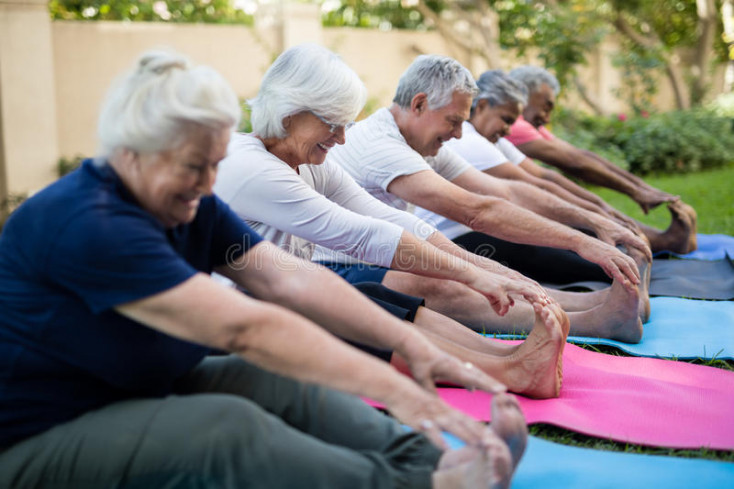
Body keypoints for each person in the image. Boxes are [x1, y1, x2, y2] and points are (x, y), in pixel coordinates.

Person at [0, 50, 529, 488]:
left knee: (278, 380)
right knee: (226, 428)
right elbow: (245, 327)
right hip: (38, 435)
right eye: (193, 167)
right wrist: (396, 389)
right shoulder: (88, 224)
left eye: (213, 164)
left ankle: (433, 462)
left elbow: (289, 277)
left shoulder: (192, 203)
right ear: (130, 153)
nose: (209, 185)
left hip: (135, 384)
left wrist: (413, 347)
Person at [214, 43, 568, 399]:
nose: (341, 138)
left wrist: (488, 269)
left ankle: (510, 355)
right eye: (332, 123)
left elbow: (383, 215)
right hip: (231, 332)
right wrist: (474, 275)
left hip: (271, 305)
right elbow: (363, 235)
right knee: (339, 314)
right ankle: (510, 373)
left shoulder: (304, 162)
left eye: (345, 123)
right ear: (289, 113)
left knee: (369, 295)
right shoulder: (254, 169)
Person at [327, 54, 646, 343]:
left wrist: (594, 221)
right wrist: (580, 240)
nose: (459, 134)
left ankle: (598, 305)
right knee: (434, 276)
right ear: (420, 104)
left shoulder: (418, 139)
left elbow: (507, 190)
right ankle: (592, 322)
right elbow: (476, 212)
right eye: (454, 121)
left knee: (455, 266)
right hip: (333, 269)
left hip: (385, 253)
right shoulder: (380, 145)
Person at [442, 69, 652, 312]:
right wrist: (599, 219)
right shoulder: (468, 140)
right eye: (507, 120)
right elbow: (528, 188)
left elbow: (544, 177)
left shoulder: (491, 139)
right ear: (482, 106)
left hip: (486, 223)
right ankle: (622, 279)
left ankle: (624, 273)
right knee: (540, 245)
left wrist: (603, 214)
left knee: (562, 232)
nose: (509, 130)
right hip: (461, 239)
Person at [506, 65, 698, 254]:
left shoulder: (522, 124)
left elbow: (582, 156)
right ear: (524, 94)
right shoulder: (514, 124)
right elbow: (574, 164)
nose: (547, 117)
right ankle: (662, 241)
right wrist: (635, 192)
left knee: (568, 195)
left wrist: (642, 189)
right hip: (511, 207)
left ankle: (657, 238)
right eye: (546, 106)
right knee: (562, 199)